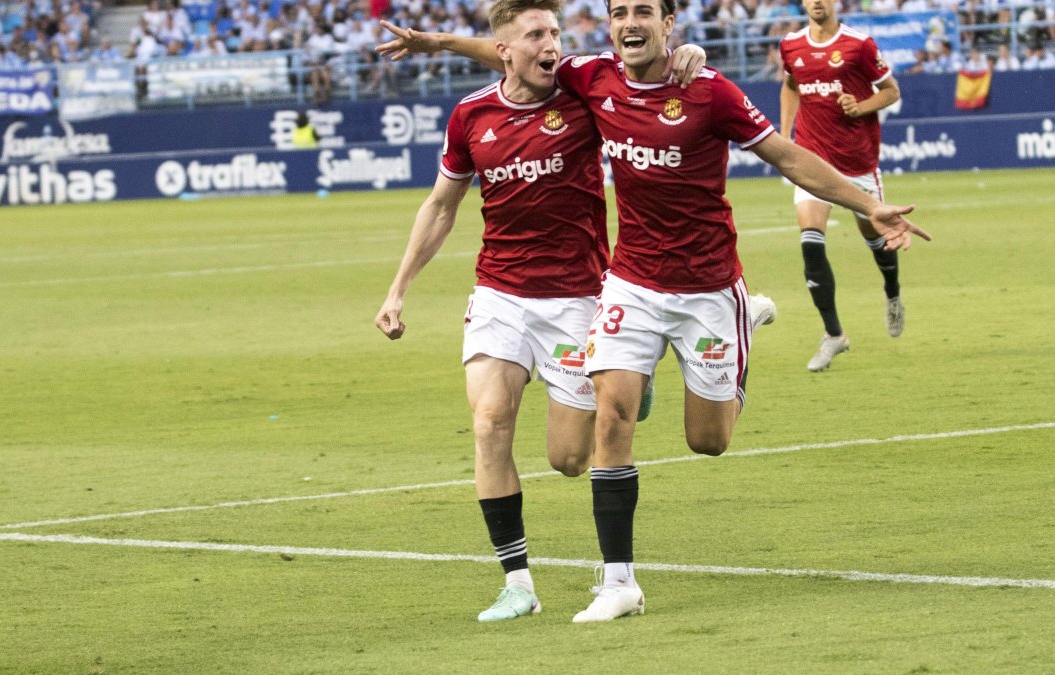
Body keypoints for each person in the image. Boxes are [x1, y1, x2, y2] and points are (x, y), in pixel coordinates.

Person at [379, 0, 929, 623]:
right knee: (608, 416)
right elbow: (515, 54)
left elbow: (786, 155)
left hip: (705, 286)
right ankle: (618, 584)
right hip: (629, 282)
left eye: (645, 11)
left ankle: (742, 323)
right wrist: (435, 42)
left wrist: (866, 203)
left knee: (707, 441)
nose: (629, 21)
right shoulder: (593, 77)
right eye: (619, 12)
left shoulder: (708, 90)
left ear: (670, 24)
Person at [374, 0, 704, 624]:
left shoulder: (581, 95)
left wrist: (688, 56)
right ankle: (518, 583)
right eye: (536, 35)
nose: (552, 43)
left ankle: (638, 362)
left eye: (555, 32)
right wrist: (397, 291)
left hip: (578, 299)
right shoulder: (471, 114)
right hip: (500, 294)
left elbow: (649, 66)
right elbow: (442, 206)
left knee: (568, 460)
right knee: (490, 422)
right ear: (504, 47)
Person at [780, 0, 905, 371]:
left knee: (876, 240)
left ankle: (893, 292)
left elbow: (891, 91)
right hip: (813, 159)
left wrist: (861, 106)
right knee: (810, 243)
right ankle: (834, 334)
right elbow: (790, 84)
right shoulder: (791, 45)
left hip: (858, 163)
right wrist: (786, 134)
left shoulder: (859, 44)